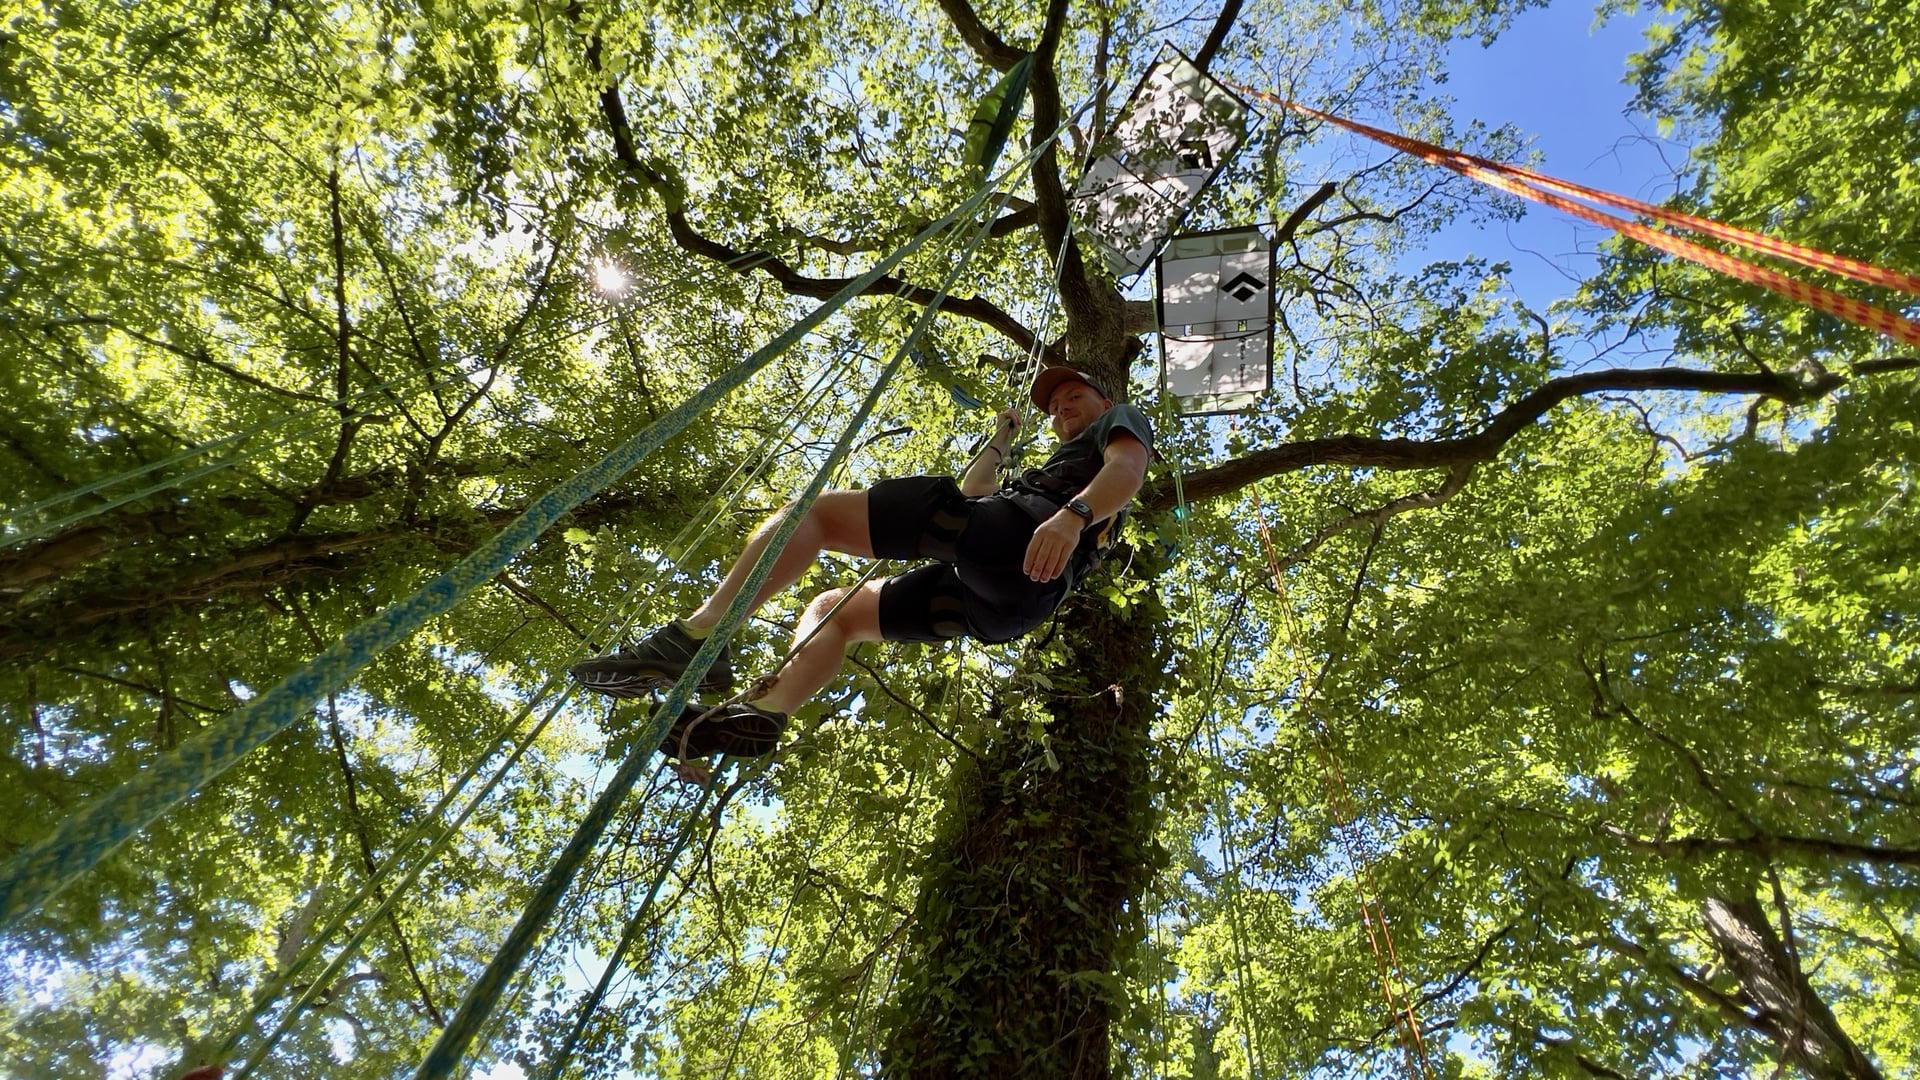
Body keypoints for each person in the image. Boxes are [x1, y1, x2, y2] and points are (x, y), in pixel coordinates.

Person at [569, 364, 1154, 760]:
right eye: (1054, 405)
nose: (1062, 407)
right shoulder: (1051, 465)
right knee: (834, 611)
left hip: (1028, 538)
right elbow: (975, 493)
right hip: (1005, 600)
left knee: (815, 515)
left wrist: (1073, 516)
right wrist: (1000, 440)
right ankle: (768, 709)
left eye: (1073, 397)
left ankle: (701, 633)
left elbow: (1127, 470)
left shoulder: (1118, 419)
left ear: (1104, 402)